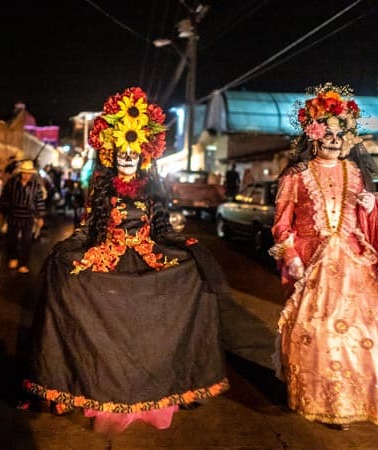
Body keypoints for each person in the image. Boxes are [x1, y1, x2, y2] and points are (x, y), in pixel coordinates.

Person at [21, 87, 229, 434]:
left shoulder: (154, 189)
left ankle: (166, 384)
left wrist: (186, 246)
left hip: (147, 259)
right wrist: (68, 251)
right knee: (74, 284)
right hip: (108, 260)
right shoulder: (101, 189)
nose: (128, 156)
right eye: (122, 150)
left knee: (188, 279)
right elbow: (89, 228)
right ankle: (96, 384)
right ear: (112, 151)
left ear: (144, 154)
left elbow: (162, 230)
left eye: (134, 151)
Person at [268, 83, 378, 429]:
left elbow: (370, 214)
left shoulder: (357, 173)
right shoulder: (296, 176)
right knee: (318, 334)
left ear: (347, 136)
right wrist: (292, 257)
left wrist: (371, 205)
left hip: (352, 263)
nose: (333, 139)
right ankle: (322, 399)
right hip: (312, 264)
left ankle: (353, 400)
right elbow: (281, 223)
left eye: (339, 132)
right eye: (326, 132)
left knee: (363, 334)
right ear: (313, 135)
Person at [0, 159, 46, 273]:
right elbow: (4, 198)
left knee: (26, 241)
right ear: (20, 173)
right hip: (13, 215)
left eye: (28, 173)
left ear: (31, 174)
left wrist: (40, 217)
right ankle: (13, 258)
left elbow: (39, 202)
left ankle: (23, 263)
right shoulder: (12, 183)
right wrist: (1, 211)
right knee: (12, 239)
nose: (26, 176)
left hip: (28, 217)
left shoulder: (35, 186)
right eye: (24, 173)